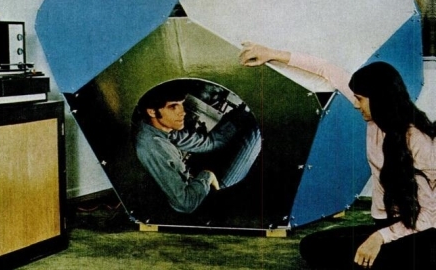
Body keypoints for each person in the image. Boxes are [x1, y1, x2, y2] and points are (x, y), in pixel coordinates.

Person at [239, 42, 436, 269]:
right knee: (312, 246)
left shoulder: (418, 140)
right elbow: (326, 69)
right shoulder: (377, 121)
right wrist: (271, 54)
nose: (356, 105)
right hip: (387, 224)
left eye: (359, 99)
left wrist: (380, 238)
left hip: (419, 233)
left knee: (348, 258)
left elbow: (430, 217)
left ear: (379, 99)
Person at [134, 81, 255, 215]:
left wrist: (239, 116)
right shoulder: (152, 148)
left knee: (244, 124)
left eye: (181, 104)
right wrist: (207, 176)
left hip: (193, 184)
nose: (182, 112)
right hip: (190, 207)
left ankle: (244, 113)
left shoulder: (157, 128)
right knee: (254, 133)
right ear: (152, 111)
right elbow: (185, 204)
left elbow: (210, 142)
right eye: (173, 107)